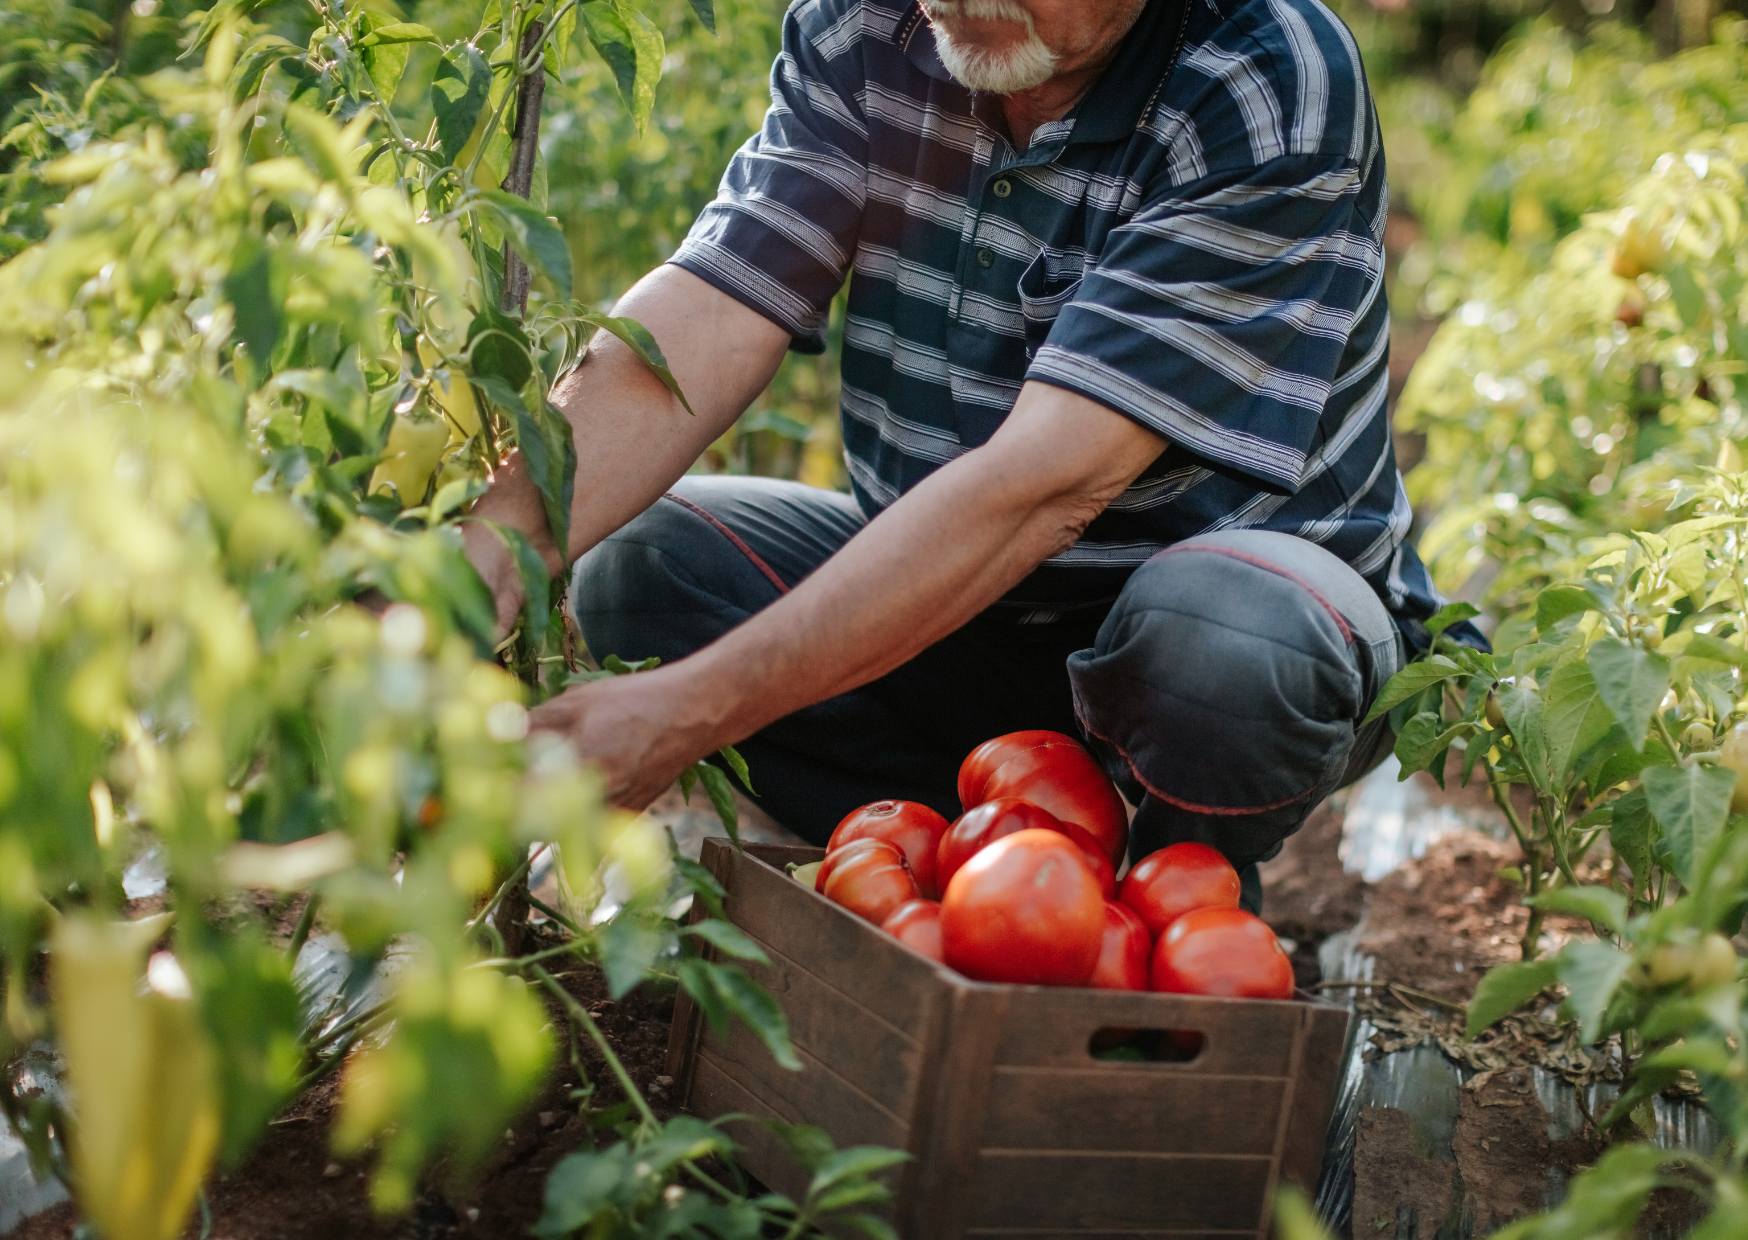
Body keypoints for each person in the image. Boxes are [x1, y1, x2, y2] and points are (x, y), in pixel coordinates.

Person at [462, 0, 1483, 905]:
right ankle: (971, 876)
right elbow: (715, 306)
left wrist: (686, 713)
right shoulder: (869, 27)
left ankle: (1170, 906)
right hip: (962, 616)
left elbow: (1045, 486)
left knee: (1225, 648)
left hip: (1215, 633)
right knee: (649, 568)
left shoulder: (1261, 77)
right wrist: (480, 558)